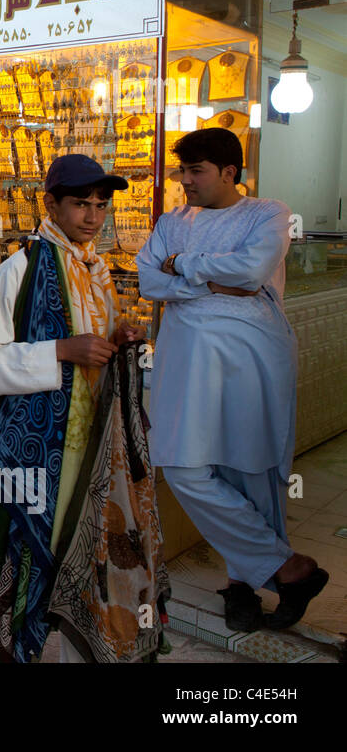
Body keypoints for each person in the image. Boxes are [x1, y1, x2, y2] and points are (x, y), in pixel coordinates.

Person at [0, 155, 166, 664]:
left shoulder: (95, 271)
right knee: (37, 541)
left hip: (88, 439)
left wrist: (120, 338)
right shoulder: (18, 269)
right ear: (51, 204)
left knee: (59, 545)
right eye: (80, 204)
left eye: (100, 205)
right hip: (39, 443)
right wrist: (61, 352)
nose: (92, 216)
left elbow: (97, 341)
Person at [137, 128, 326, 632]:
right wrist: (214, 280)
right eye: (182, 171)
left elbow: (251, 271)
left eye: (194, 171)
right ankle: (288, 568)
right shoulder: (172, 220)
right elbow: (148, 280)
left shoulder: (269, 213)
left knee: (252, 471)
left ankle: (242, 585)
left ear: (229, 173)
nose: (184, 181)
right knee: (182, 467)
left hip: (252, 357)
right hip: (186, 358)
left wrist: (184, 268)